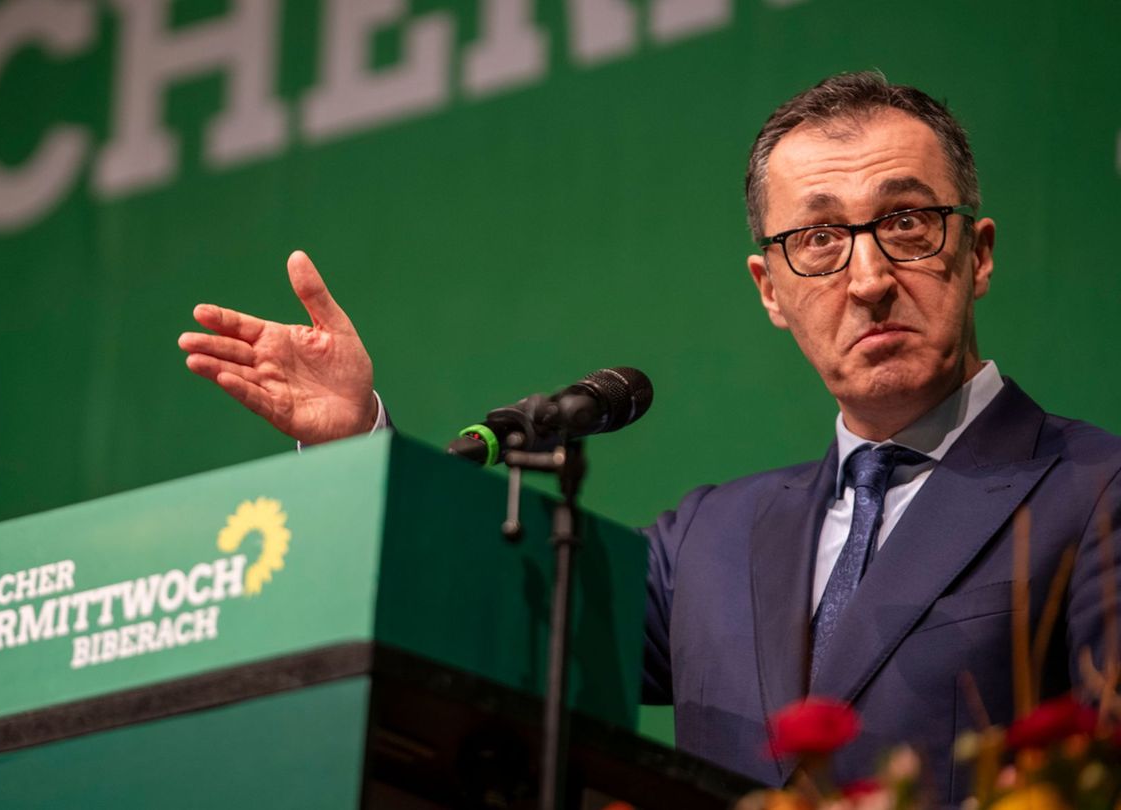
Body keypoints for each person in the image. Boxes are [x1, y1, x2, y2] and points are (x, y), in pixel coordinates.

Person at [178, 72, 1121, 803]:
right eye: (821, 240)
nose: (867, 277)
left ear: (979, 253)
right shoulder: (710, 541)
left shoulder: (1095, 491)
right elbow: (481, 626)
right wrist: (352, 446)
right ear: (770, 290)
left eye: (906, 222)